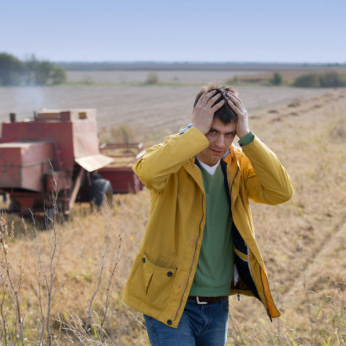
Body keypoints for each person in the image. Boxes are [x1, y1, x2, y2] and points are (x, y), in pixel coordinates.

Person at [123, 83, 294, 345]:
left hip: (217, 306)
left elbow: (281, 192)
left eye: (229, 134)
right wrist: (194, 133)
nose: (220, 142)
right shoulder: (175, 159)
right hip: (170, 300)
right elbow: (146, 171)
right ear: (198, 123)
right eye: (212, 131)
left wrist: (247, 136)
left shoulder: (237, 165)